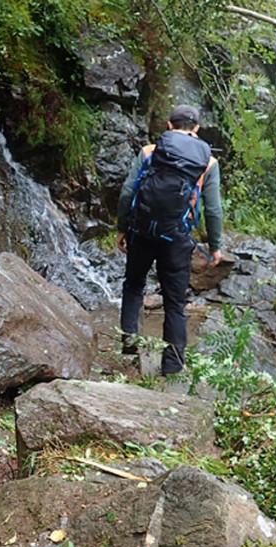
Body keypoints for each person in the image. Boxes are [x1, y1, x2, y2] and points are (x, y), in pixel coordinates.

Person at [115, 104, 224, 376]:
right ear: (196, 129)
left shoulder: (150, 151)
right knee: (175, 302)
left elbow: (128, 192)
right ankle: (173, 367)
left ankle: (130, 352)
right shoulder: (208, 162)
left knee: (134, 286)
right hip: (177, 238)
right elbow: (212, 209)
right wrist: (215, 246)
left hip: (142, 230)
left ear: (168, 125)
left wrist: (123, 227)